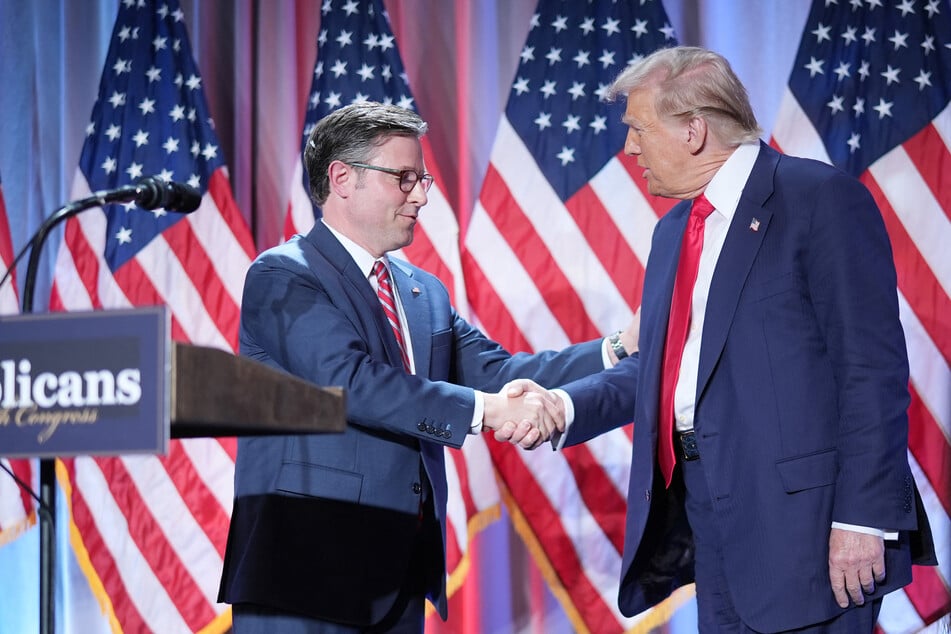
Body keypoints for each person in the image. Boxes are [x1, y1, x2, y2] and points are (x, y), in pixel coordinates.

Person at [520, 46, 936, 632]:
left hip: (811, 529)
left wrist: (863, 520)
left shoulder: (815, 199)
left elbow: (871, 369)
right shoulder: (673, 233)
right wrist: (562, 405)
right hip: (709, 519)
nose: (630, 148)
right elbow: (663, 371)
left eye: (639, 129)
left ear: (693, 130)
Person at [217, 101, 637, 633]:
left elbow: (501, 374)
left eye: (423, 179)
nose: (420, 195)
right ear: (342, 178)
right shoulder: (282, 276)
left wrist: (620, 346)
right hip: (306, 576)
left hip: (398, 577)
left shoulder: (421, 291)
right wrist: (488, 412)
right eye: (403, 178)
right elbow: (350, 383)